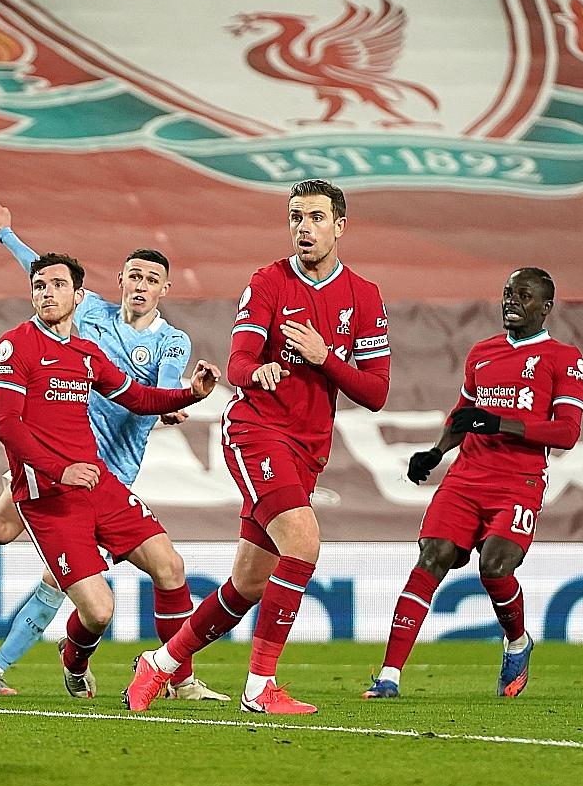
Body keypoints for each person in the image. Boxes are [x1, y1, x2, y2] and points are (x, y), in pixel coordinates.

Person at [0, 200, 227, 702]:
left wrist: (182, 399)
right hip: (52, 468)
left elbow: (148, 391)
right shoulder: (79, 315)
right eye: (133, 275)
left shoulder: (170, 341)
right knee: (9, 542)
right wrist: (6, 234)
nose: (139, 284)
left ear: (163, 289)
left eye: (151, 279)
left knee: (101, 567)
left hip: (107, 472)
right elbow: (41, 273)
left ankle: (165, 675)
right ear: (119, 280)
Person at [124, 178, 391, 714]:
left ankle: (162, 664)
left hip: (309, 447)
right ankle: (259, 687)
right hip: (254, 431)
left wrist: (324, 358)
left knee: (247, 583)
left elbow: (376, 392)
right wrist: (259, 370)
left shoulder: (364, 296)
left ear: (340, 226)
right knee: (304, 542)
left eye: (316, 218)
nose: (304, 228)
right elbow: (239, 363)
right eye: (296, 217)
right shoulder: (268, 282)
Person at [0, 250, 220, 702]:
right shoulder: (15, 344)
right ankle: (67, 659)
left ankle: (177, 677)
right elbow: (5, 425)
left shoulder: (87, 354)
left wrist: (188, 395)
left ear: (79, 296)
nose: (47, 292)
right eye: (39, 286)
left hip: (100, 482)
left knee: (170, 566)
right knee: (98, 610)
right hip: (49, 493)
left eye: (58, 286)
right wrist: (61, 469)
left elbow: (138, 398)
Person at [362, 268, 583, 700]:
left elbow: (567, 432)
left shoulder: (563, 358)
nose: (511, 302)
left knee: (496, 568)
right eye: (507, 294)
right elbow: (464, 414)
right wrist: (436, 452)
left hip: (518, 482)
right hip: (465, 479)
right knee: (433, 557)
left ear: (545, 307)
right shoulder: (482, 353)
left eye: (523, 295)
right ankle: (388, 676)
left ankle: (517, 642)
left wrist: (501, 422)